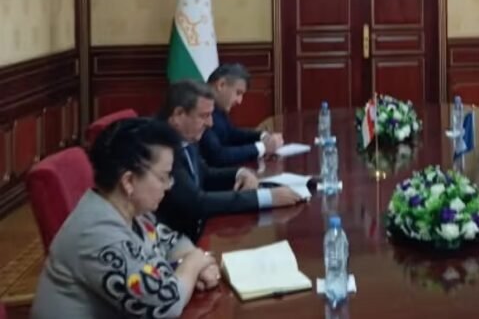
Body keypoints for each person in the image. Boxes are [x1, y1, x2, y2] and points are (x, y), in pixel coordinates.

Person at [32, 118, 218, 319]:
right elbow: (165, 304)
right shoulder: (97, 235)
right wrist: (194, 263)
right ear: (128, 181)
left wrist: (197, 267)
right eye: (163, 177)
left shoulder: (130, 210)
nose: (168, 186)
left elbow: (173, 242)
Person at [156, 80, 303, 242]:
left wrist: (240, 173)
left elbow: (205, 174)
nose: (210, 123)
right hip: (172, 241)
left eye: (211, 115)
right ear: (178, 115)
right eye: (204, 116)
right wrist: (265, 198)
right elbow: (196, 202)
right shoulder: (159, 147)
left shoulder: (185, 136)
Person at [199, 63, 284, 166]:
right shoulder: (200, 109)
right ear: (221, 85)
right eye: (238, 93)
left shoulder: (218, 109)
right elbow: (218, 156)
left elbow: (231, 134)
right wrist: (263, 147)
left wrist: (263, 136)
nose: (239, 101)